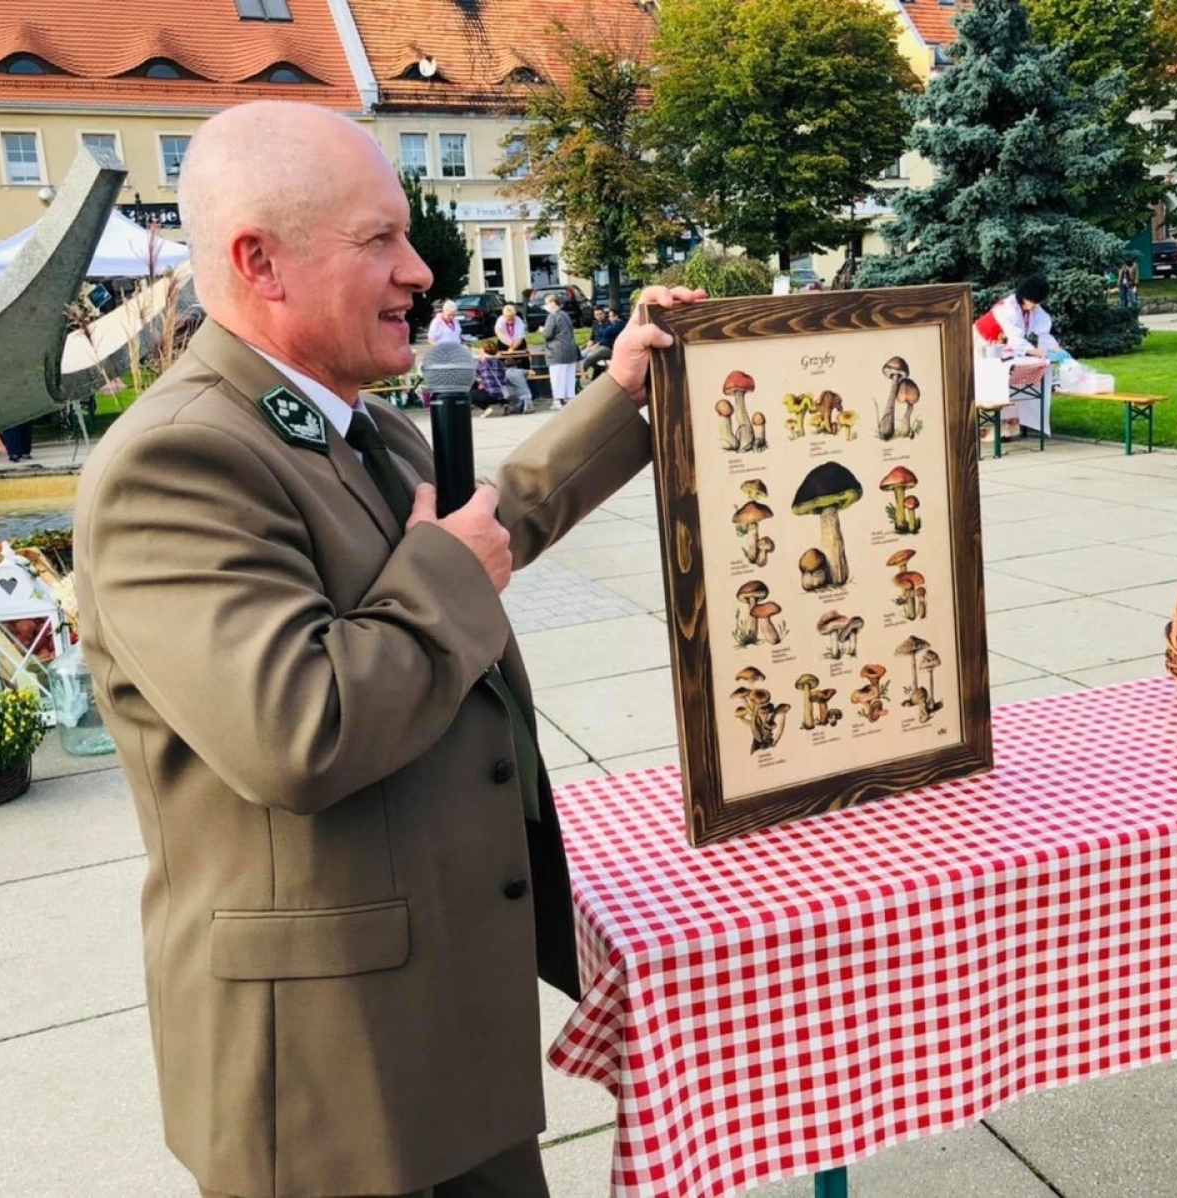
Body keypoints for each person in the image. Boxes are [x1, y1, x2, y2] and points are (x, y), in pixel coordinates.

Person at [72, 99, 703, 1198]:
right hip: (329, 1079)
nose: (421, 271)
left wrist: (622, 399)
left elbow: (484, 527)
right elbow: (299, 728)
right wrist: (449, 569)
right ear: (259, 261)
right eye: (381, 240)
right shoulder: (175, 463)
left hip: (430, 1015)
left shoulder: (342, 419)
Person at [974, 273, 1059, 359]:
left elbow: (1044, 333)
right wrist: (1041, 353)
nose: (1036, 306)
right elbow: (1016, 341)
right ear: (1025, 298)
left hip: (1000, 344)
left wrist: (1058, 351)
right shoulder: (1008, 309)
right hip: (980, 339)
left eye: (1038, 303)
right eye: (1034, 302)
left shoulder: (1033, 306)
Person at [471, 337, 532, 416]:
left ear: (483, 351)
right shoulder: (500, 362)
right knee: (497, 386)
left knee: (470, 394)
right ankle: (504, 404)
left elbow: (474, 374)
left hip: (491, 395)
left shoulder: (481, 363)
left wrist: (481, 381)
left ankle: (486, 409)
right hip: (504, 394)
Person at [540, 293, 579, 407]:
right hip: (570, 349)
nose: (546, 306)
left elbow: (548, 334)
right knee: (569, 377)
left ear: (552, 303)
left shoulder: (552, 316)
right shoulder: (565, 315)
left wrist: (542, 330)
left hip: (557, 351)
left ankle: (558, 400)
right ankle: (570, 398)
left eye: (547, 303)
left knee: (557, 377)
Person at [580, 307, 627, 378]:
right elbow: (597, 336)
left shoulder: (620, 324)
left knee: (590, 357)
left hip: (609, 348)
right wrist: (589, 346)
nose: (609, 318)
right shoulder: (609, 324)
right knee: (583, 354)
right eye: (596, 314)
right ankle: (594, 375)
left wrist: (605, 331)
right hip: (602, 346)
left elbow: (605, 332)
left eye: (610, 316)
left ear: (616, 317)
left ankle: (581, 372)